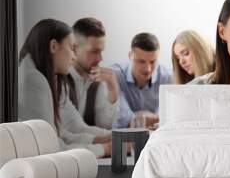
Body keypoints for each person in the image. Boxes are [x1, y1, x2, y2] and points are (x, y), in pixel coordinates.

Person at [18, 19, 111, 158]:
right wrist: (103, 149)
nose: (74, 56)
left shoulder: (45, 77)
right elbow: (50, 149)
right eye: (72, 48)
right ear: (54, 46)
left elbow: (62, 133)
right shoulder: (33, 80)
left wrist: (109, 138)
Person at [61, 17, 119, 130]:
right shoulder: (60, 80)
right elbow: (71, 130)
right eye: (94, 52)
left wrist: (113, 90)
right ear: (75, 48)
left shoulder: (96, 81)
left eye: (101, 51)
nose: (100, 58)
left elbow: (104, 125)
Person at [112, 33, 172, 129]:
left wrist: (150, 118)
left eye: (153, 62)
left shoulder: (169, 77)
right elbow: (121, 121)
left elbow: (172, 119)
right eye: (141, 61)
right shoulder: (115, 75)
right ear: (130, 56)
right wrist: (157, 118)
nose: (148, 69)